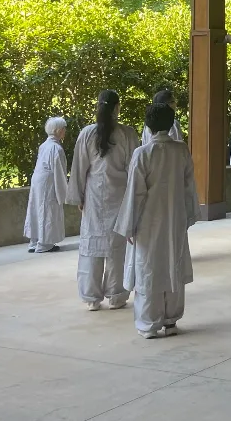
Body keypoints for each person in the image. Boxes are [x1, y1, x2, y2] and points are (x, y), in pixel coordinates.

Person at [115, 102, 199, 339]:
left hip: (148, 221)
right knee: (173, 262)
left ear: (148, 125)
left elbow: (135, 193)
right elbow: (189, 185)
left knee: (149, 268)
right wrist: (189, 214)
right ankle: (171, 319)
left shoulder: (142, 153)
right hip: (174, 218)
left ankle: (148, 323)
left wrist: (129, 225)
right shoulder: (181, 150)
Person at [66, 90, 140, 310]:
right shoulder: (128, 134)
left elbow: (79, 168)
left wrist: (79, 196)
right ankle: (117, 295)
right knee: (118, 247)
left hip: (94, 197)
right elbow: (134, 170)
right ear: (118, 107)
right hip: (121, 197)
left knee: (92, 245)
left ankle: (91, 297)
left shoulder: (88, 134)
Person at [24, 116, 68, 254]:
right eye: (64, 129)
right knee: (47, 209)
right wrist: (64, 193)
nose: (65, 132)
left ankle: (34, 241)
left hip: (38, 180)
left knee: (37, 208)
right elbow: (59, 171)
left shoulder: (44, 146)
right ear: (59, 130)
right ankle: (44, 243)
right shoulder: (56, 148)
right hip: (48, 182)